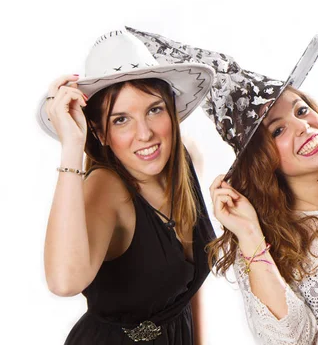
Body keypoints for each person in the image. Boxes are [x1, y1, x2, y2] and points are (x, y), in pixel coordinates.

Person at [140, 29, 318, 344]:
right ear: (260, 159)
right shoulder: (264, 240)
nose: (303, 127)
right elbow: (289, 338)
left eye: (301, 110)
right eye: (278, 130)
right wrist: (250, 234)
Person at [37, 29, 217, 344]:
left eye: (154, 110)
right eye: (121, 120)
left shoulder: (187, 160)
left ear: (172, 112)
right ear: (101, 133)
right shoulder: (106, 188)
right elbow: (63, 282)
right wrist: (71, 146)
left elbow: (187, 291)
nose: (144, 134)